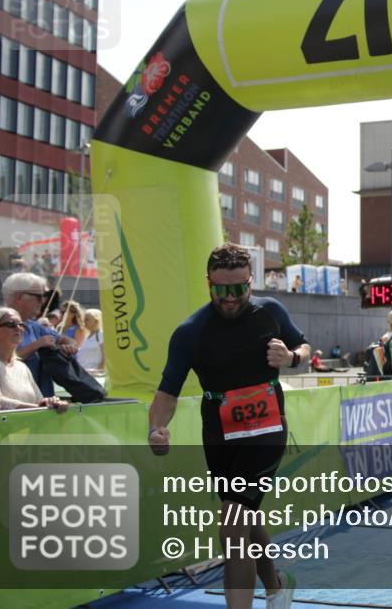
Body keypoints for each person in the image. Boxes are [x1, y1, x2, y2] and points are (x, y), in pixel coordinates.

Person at [147, 244, 308, 609]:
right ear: (208, 284)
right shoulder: (190, 332)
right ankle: (277, 586)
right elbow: (166, 393)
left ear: (251, 282)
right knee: (245, 518)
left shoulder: (271, 312)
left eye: (240, 288)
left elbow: (304, 347)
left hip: (266, 429)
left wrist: (292, 358)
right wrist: (156, 428)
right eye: (222, 290)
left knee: (232, 524)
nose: (231, 298)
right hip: (219, 434)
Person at [0, 307, 69, 412]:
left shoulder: (22, 366)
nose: (18, 328)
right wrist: (40, 408)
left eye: (21, 324)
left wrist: (51, 402)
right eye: (11, 324)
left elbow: (38, 400)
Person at [3, 273, 77, 397]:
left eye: (44, 296)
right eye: (39, 296)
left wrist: (69, 347)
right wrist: (37, 345)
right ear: (19, 297)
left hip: (43, 402)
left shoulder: (34, 326)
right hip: (17, 405)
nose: (43, 301)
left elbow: (69, 340)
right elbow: (1, 363)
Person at [76, 309, 105, 374]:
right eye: (84, 319)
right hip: (83, 374)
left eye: (87, 319)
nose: (84, 321)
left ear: (96, 321)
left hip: (93, 376)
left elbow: (105, 357)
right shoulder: (87, 336)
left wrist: (98, 372)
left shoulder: (101, 335)